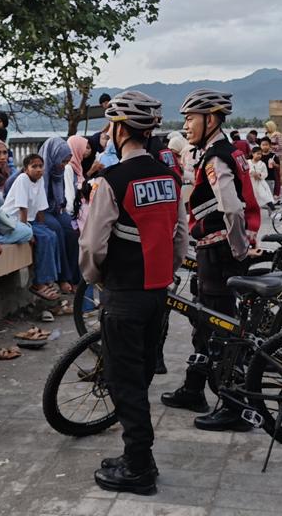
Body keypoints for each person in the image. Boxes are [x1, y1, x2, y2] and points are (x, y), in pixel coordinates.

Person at [78, 90, 184, 495]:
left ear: (120, 130)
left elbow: (92, 246)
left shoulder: (111, 181)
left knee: (125, 383)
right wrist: (165, 272)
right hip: (157, 293)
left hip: (122, 294)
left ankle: (138, 467)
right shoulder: (169, 177)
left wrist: (94, 278)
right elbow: (180, 238)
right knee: (139, 377)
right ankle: (139, 456)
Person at [161, 88, 260, 432]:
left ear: (211, 119)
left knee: (219, 326)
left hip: (218, 251)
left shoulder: (217, 157)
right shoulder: (214, 151)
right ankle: (193, 387)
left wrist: (238, 251)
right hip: (209, 247)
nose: (186, 125)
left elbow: (232, 208)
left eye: (190, 118)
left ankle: (235, 406)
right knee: (204, 321)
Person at [3, 154, 62, 300]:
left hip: (30, 220)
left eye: (40, 166)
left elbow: (41, 207)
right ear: (26, 169)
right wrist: (26, 233)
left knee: (51, 235)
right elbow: (22, 207)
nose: (38, 170)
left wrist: (42, 226)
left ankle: (50, 277)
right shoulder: (22, 179)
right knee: (42, 238)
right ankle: (39, 282)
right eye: (34, 166)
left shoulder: (40, 180)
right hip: (14, 220)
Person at [39, 136, 80, 291]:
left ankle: (76, 278)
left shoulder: (59, 173)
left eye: (67, 162)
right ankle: (64, 277)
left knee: (72, 228)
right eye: (62, 161)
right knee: (57, 229)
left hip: (55, 208)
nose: (64, 166)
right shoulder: (38, 170)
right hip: (39, 212)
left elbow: (62, 198)